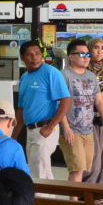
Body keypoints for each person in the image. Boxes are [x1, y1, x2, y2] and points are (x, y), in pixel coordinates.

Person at [12, 40, 70, 180]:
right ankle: (48, 200)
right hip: (30, 130)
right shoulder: (24, 77)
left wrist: (51, 127)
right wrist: (14, 136)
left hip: (45, 130)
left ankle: (42, 201)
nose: (34, 57)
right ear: (22, 58)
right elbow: (21, 108)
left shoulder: (51, 72)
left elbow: (66, 100)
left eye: (37, 54)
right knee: (36, 170)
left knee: (39, 172)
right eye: (29, 55)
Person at [59, 39, 103, 184]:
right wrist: (66, 128)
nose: (87, 57)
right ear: (70, 56)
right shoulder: (64, 75)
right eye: (82, 54)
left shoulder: (91, 76)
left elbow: (99, 101)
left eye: (88, 54)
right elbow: (59, 103)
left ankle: (78, 203)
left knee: (84, 171)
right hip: (72, 130)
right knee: (76, 170)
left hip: (88, 130)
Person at [85, 37, 103, 184]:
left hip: (101, 113)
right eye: (96, 47)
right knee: (93, 155)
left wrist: (97, 96)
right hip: (85, 115)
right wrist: (96, 96)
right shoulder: (84, 67)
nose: (99, 51)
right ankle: (89, 189)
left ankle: (101, 189)